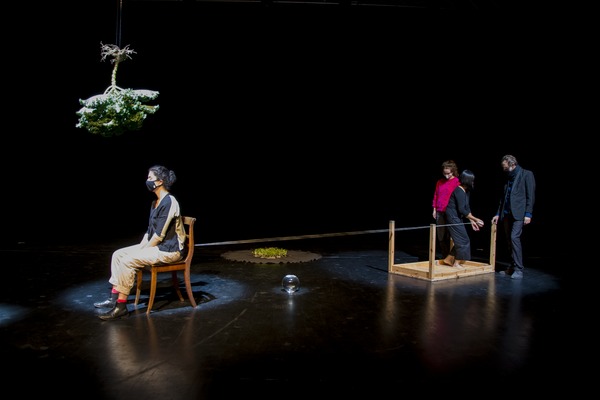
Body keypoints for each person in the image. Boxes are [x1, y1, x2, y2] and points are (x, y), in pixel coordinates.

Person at [94, 165, 187, 320]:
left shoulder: (170, 202)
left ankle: (121, 307)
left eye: (150, 178)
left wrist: (141, 252)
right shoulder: (155, 202)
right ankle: (114, 297)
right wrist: (141, 247)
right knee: (118, 255)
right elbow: (149, 233)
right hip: (158, 247)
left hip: (170, 250)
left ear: (160, 181)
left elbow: (158, 236)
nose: (147, 181)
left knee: (128, 261)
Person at [491, 155, 536, 280]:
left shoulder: (526, 174)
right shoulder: (508, 177)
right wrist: (498, 213)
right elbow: (503, 197)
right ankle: (512, 265)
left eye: (505, 167)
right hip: (506, 213)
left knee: (514, 237)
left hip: (519, 213)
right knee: (508, 240)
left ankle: (519, 269)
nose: (504, 169)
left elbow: (530, 196)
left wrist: (528, 214)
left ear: (512, 165)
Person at [439, 169, 484, 269]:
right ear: (467, 180)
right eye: (472, 180)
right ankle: (456, 263)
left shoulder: (466, 191)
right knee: (463, 240)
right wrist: (476, 219)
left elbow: (467, 208)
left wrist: (472, 221)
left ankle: (448, 260)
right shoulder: (458, 190)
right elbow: (462, 210)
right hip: (452, 218)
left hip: (457, 218)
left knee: (462, 240)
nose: (473, 182)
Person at [432, 160, 461, 264]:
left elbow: (459, 198)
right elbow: (436, 195)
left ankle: (451, 257)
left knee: (451, 235)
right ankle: (444, 255)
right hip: (440, 211)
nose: (446, 175)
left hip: (451, 212)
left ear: (453, 171)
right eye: (444, 173)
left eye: (448, 173)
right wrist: (434, 209)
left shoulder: (456, 182)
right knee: (441, 234)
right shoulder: (440, 182)